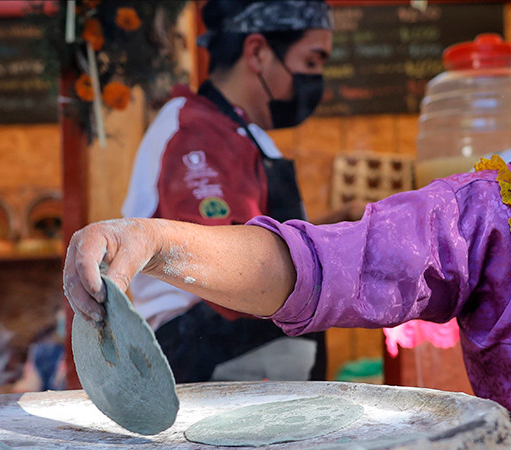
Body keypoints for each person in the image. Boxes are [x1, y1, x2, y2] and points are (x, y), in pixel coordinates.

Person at [65, 0, 511, 448]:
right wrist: (154, 240)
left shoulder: (249, 134)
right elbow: (320, 261)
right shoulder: (491, 215)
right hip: (202, 361)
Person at [120, 0, 361, 383]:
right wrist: (332, 258)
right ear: (258, 52)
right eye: (312, 61)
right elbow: (224, 269)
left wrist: (333, 231)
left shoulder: (246, 134)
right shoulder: (195, 133)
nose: (316, 78)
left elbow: (254, 241)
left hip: (256, 369)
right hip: (207, 367)